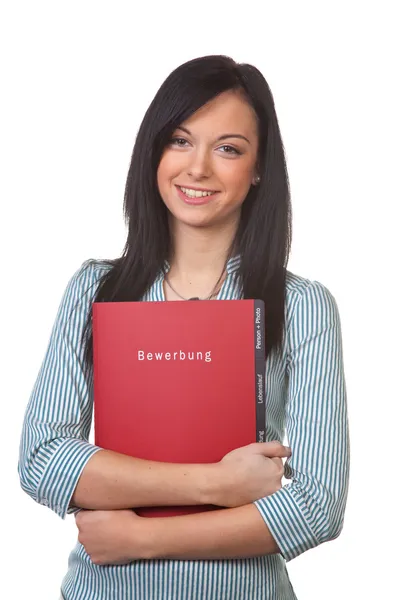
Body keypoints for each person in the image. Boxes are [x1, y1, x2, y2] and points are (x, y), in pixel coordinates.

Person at [18, 54, 349, 600]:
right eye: (179, 140)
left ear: (259, 166)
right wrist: (219, 484)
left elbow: (315, 506)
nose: (197, 168)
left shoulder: (302, 306)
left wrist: (141, 538)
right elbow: (44, 459)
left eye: (228, 149)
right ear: (154, 151)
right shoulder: (95, 290)